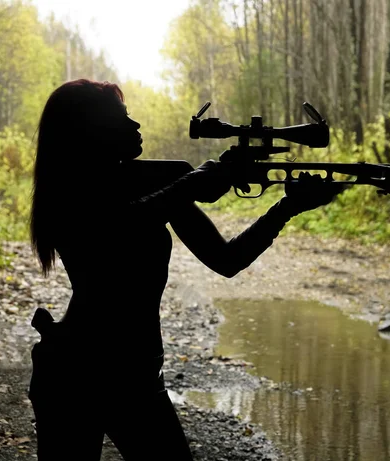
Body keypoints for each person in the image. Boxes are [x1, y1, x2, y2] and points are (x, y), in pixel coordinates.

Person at [28, 79, 341, 460]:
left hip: (138, 376)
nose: (136, 127)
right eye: (121, 120)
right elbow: (112, 230)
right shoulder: (71, 195)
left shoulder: (151, 185)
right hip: (76, 374)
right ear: (90, 131)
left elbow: (226, 261)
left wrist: (287, 208)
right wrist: (192, 182)